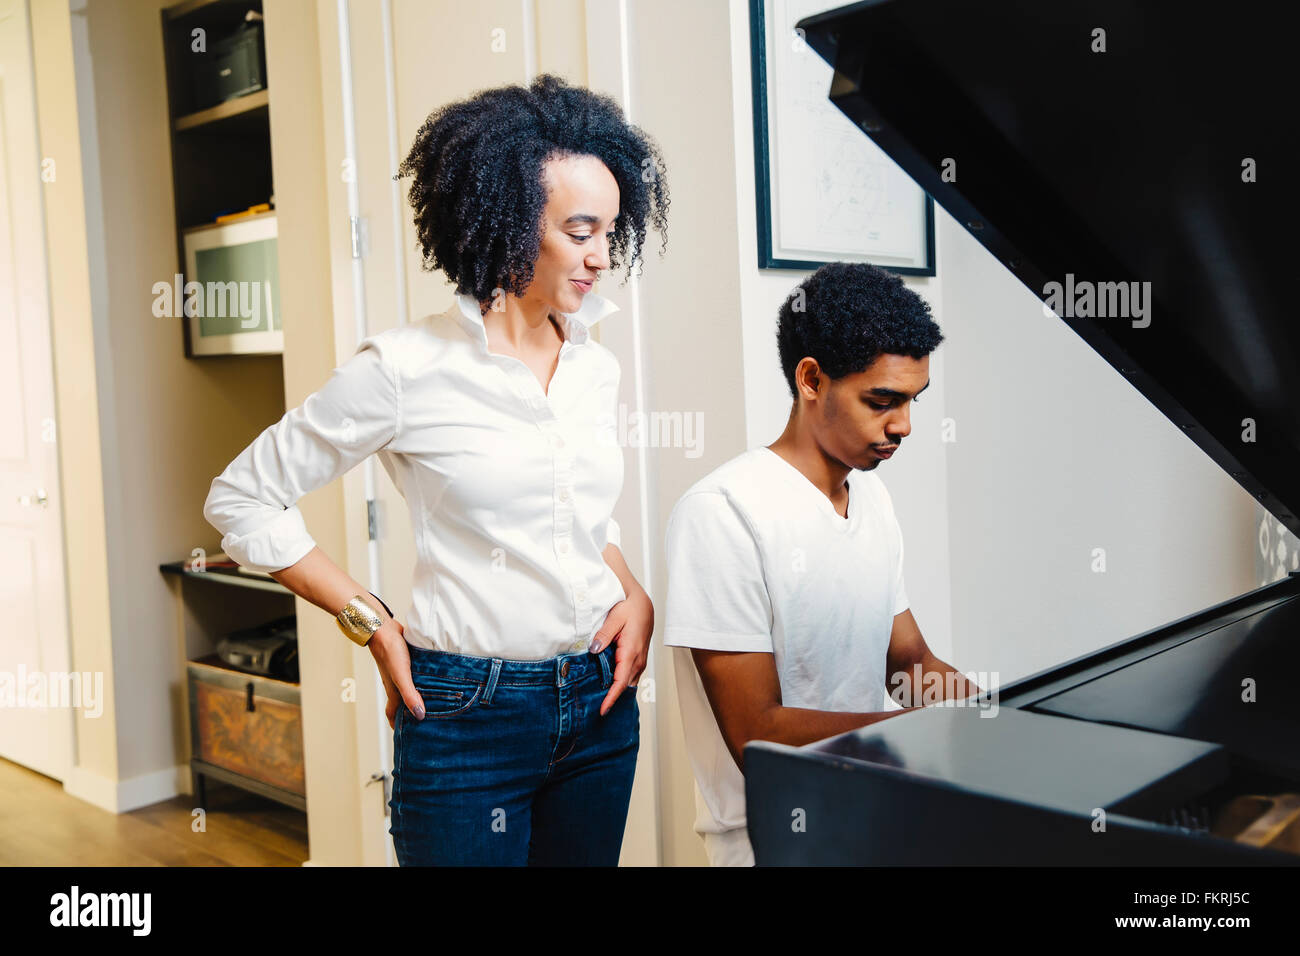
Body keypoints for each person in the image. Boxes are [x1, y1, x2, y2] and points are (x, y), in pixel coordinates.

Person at [204, 74, 669, 866]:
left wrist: (631, 588)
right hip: (465, 718)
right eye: (580, 229)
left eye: (611, 230)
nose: (601, 256)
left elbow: (579, 515)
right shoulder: (405, 368)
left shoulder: (596, 364)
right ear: (510, 221)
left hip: (600, 707)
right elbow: (242, 497)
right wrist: (371, 621)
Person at [662, 262, 979, 866]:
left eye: (913, 401)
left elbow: (907, 662)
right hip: (775, 842)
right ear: (811, 379)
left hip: (874, 816)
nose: (904, 426)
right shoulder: (723, 512)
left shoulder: (872, 497)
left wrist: (995, 714)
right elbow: (758, 733)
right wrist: (913, 740)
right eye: (882, 401)